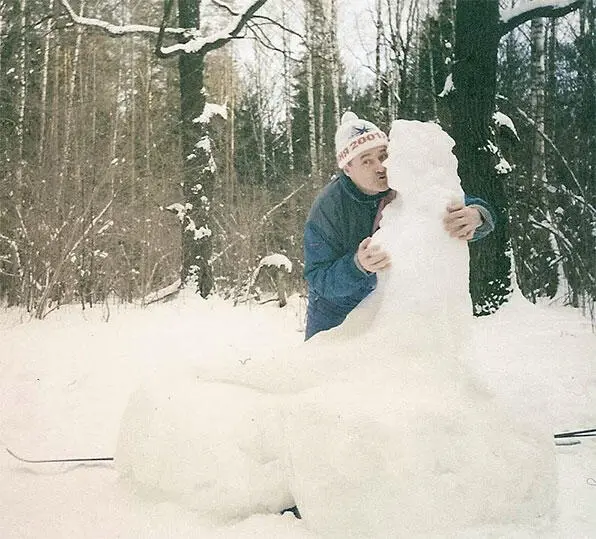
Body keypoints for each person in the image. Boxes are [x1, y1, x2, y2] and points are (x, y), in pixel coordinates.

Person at [303, 112, 496, 340]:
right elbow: (317, 277)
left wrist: (477, 215)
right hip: (334, 315)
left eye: (383, 155)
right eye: (367, 160)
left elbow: (448, 198)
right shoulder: (328, 208)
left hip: (388, 308)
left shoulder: (403, 182)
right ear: (347, 168)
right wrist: (357, 265)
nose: (380, 167)